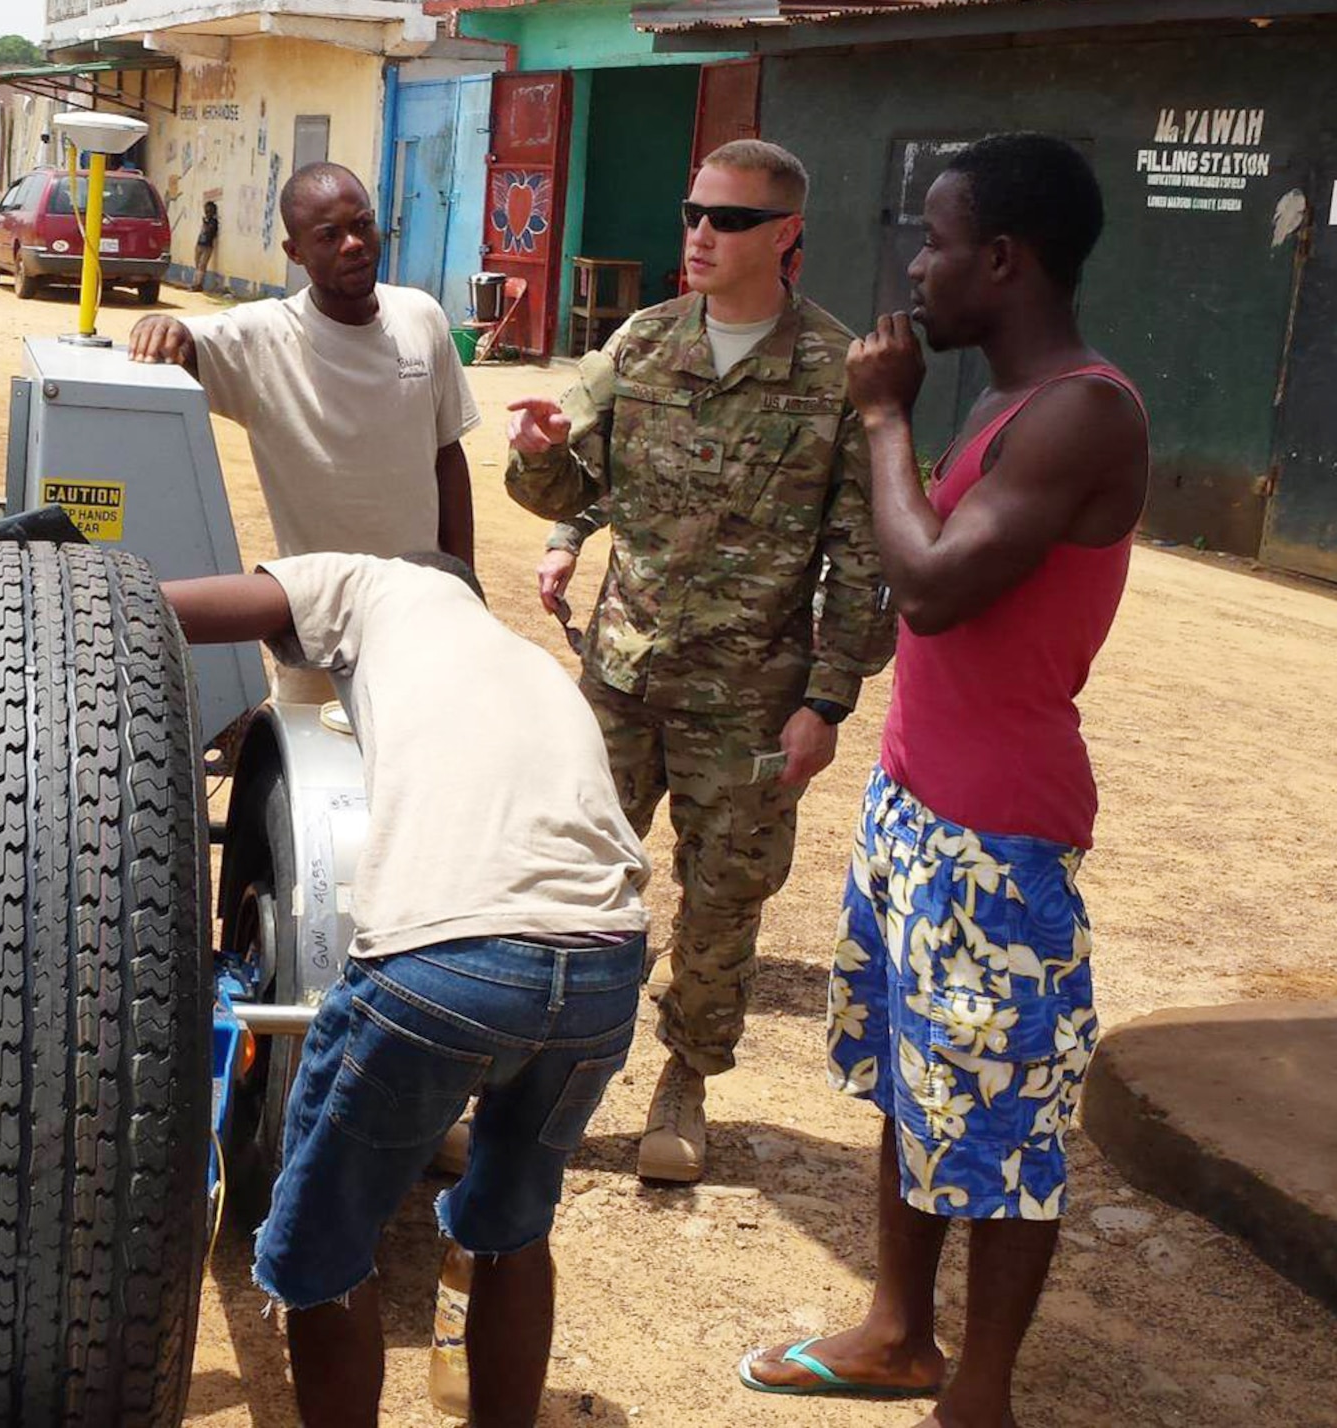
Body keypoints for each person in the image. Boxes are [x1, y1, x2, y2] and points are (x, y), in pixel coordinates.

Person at [738, 134, 1148, 1428]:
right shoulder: (1005, 402)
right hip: (920, 809)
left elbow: (929, 581)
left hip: (999, 838)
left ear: (1004, 260)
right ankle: (899, 1334)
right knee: (923, 1085)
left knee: (1008, 1127)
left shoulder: (1085, 411)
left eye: (936, 242)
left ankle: (979, 1394)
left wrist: (879, 416)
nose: (916, 268)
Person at [161, 550, 650, 1428]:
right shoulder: (530, 665)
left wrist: (17, 588)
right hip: (605, 966)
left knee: (318, 1246)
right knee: (513, 1222)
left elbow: (184, 606)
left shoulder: (377, 584)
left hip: (449, 966)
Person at [502, 139, 894, 1183]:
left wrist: (827, 699)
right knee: (569, 875)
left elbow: (861, 555)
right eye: (691, 214)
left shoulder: (835, 374)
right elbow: (563, 489)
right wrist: (540, 456)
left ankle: (683, 1081)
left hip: (753, 704)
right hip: (622, 675)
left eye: (725, 219)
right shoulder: (637, 344)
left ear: (784, 236)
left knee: (720, 902)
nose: (699, 235)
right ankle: (525, 1074)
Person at [129, 162, 479, 698]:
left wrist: (464, 582)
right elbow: (187, 340)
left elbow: (446, 454)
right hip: (319, 625)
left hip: (423, 613)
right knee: (313, 765)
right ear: (295, 253)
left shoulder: (422, 317)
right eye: (329, 235)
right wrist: (159, 325)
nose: (354, 244)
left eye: (362, 224)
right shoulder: (265, 336)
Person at [191, 198, 220, 294]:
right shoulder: (206, 220)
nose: (207, 212)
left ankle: (197, 285)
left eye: (209, 210)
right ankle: (195, 283)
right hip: (200, 244)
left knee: (202, 265)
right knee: (197, 265)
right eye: (206, 210)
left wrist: (206, 222)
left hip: (207, 246)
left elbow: (210, 231)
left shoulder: (213, 221)